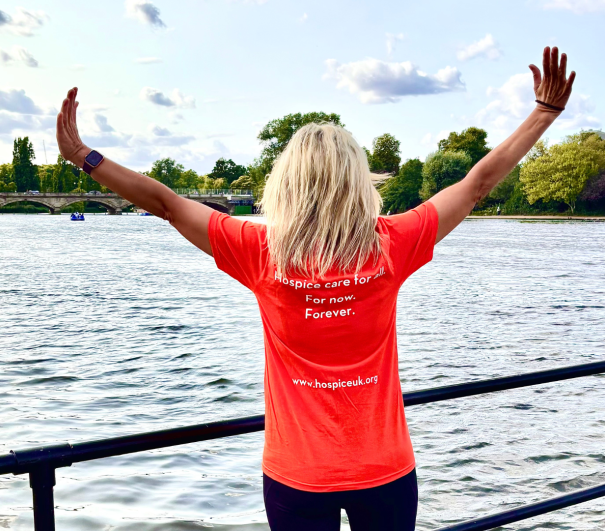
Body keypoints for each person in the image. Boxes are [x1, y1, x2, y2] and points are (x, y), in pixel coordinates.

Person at [56, 46, 574, 531]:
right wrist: (542, 115)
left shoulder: (261, 251)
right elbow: (477, 183)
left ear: (289, 181)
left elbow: (165, 202)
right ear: (358, 180)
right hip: (386, 470)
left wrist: (85, 156)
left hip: (296, 476)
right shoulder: (393, 244)